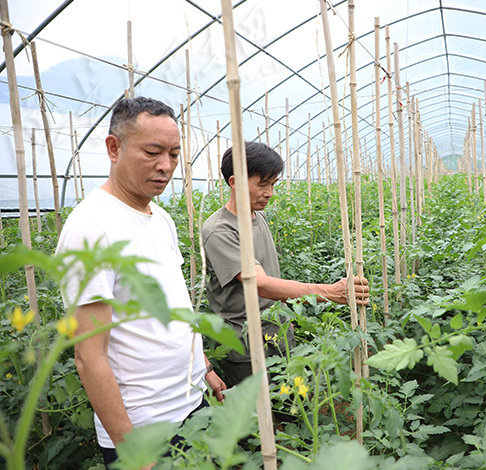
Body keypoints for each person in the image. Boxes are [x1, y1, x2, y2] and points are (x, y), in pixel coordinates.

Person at [56, 97, 226, 466]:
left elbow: (174, 307)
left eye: (175, 154)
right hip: (144, 427)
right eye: (152, 152)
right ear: (114, 148)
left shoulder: (160, 217)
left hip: (190, 405)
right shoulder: (92, 228)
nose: (165, 166)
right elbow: (89, 357)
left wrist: (205, 368)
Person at [202, 142, 369, 387]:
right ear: (234, 182)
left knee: (294, 405)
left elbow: (268, 273)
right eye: (262, 184)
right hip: (247, 345)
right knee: (262, 416)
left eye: (273, 184)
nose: (270, 193)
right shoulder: (220, 230)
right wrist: (329, 293)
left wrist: (286, 314)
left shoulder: (258, 217)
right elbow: (259, 283)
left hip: (279, 333)